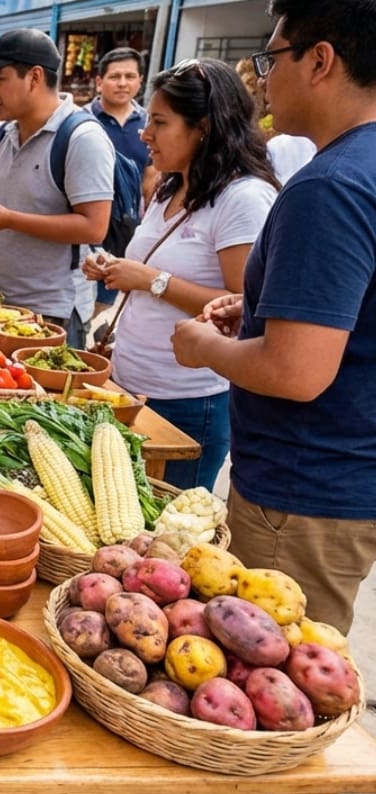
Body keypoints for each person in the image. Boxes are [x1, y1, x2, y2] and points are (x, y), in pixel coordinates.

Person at [169, 0, 376, 637]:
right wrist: (259, 308)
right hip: (344, 474)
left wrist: (203, 346)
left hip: (300, 490)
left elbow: (297, 371)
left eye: (271, 58)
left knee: (276, 684)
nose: (262, 77)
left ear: (320, 61)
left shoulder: (329, 185)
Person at [79, 59, 276, 492]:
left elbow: (243, 307)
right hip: (129, 385)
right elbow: (151, 266)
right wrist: (118, 269)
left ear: (203, 126)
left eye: (160, 123)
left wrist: (151, 279)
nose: (144, 134)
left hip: (188, 402)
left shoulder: (242, 198)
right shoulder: (171, 185)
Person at [0, 29, 114, 348]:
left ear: (34, 77)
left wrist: (9, 220)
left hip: (52, 315)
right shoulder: (1, 135)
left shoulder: (82, 138)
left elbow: (94, 227)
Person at [87, 47, 155, 311]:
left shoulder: (149, 123)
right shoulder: (82, 120)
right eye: (115, 76)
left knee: (107, 295)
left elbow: (151, 178)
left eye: (130, 76)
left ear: (140, 80)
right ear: (99, 82)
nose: (123, 83)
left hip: (125, 226)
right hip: (87, 221)